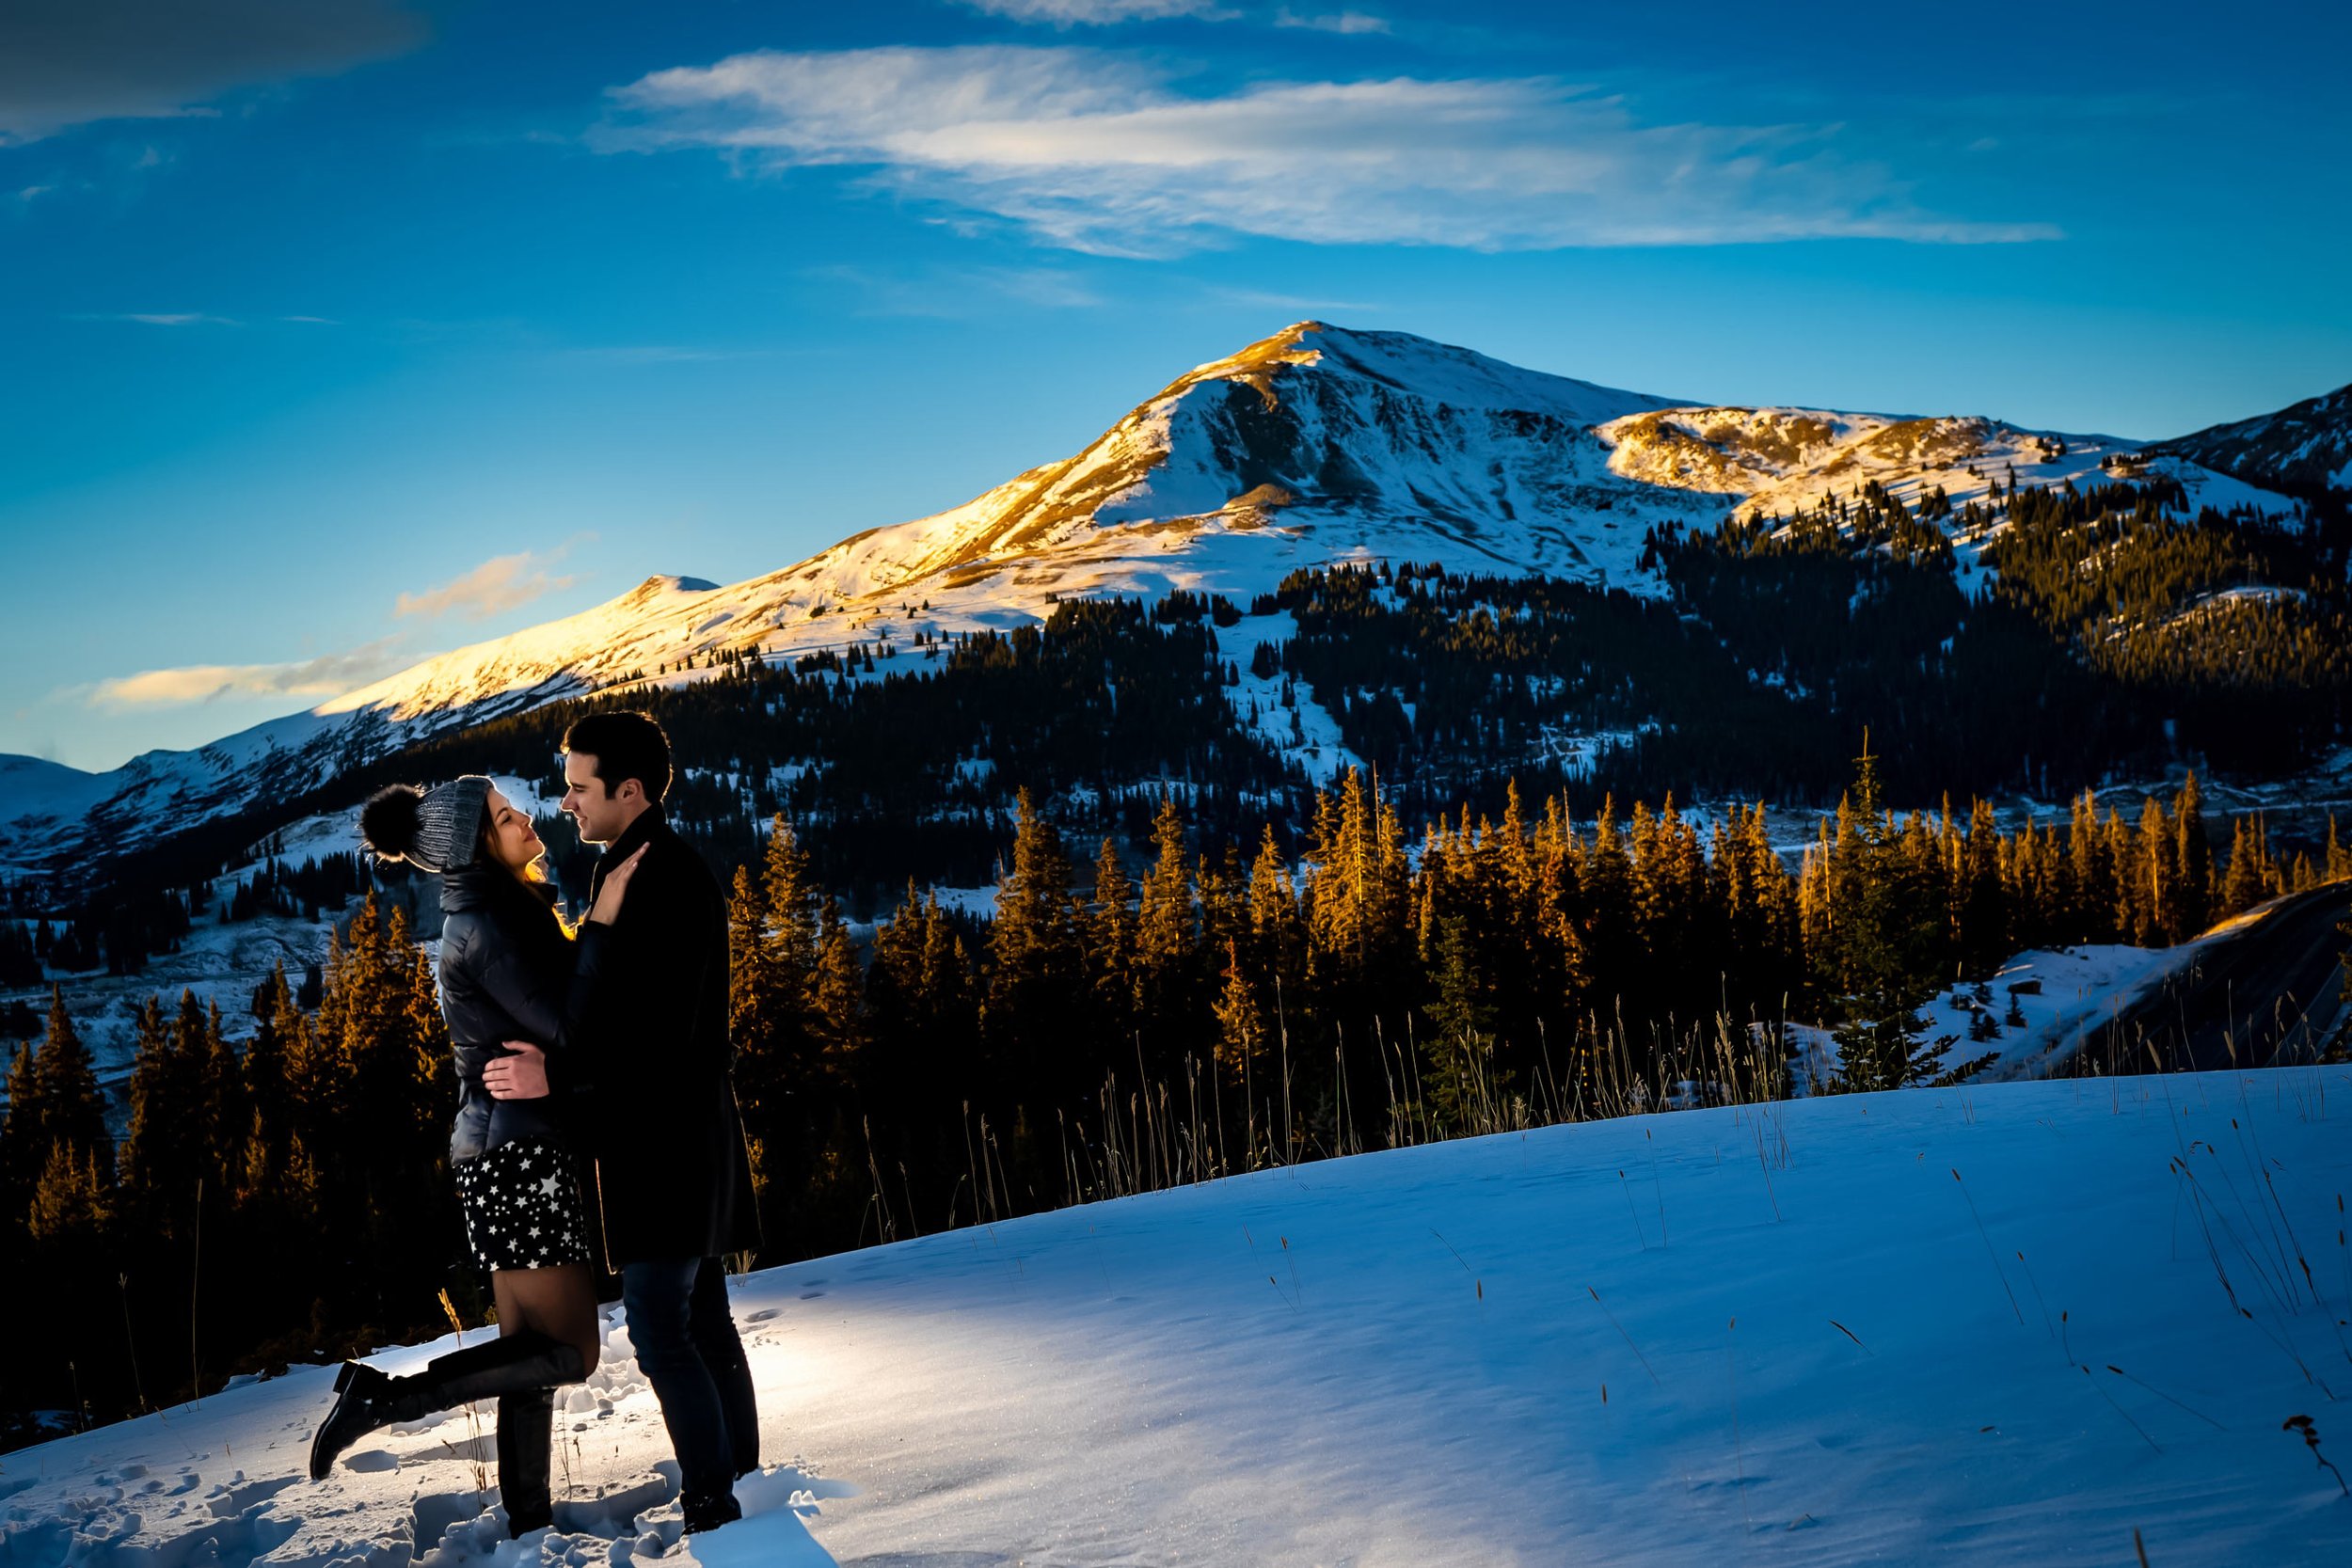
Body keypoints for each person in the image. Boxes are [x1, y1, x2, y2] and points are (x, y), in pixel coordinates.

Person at [309, 774, 644, 1538]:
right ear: (477, 846)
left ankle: (529, 1521)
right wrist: (602, 923)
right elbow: (566, 1028)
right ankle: (381, 1399)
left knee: (529, 1357)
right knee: (569, 1352)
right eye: (504, 816)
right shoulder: (490, 924)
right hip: (518, 1153)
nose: (524, 817)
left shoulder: (491, 912)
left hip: (499, 1152)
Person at [485, 710, 763, 1534]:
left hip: (667, 1149)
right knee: (701, 1317)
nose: (565, 802)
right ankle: (742, 1473)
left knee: (659, 1327)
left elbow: (649, 1043)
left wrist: (555, 1073)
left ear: (628, 790)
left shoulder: (664, 883)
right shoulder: (637, 871)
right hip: (678, 1142)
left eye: (578, 787)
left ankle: (714, 1502)